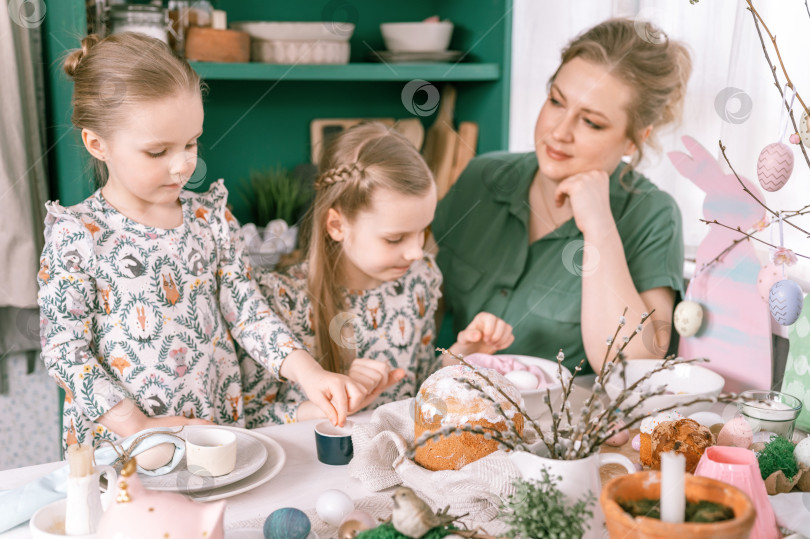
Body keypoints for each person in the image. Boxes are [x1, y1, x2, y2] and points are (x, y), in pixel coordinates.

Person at [38, 33, 367, 450]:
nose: (182, 165)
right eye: (157, 152)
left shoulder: (209, 217)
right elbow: (66, 352)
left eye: (191, 142)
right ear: (97, 144)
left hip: (215, 431)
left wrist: (309, 373)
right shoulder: (78, 236)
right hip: (124, 447)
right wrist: (138, 426)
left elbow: (247, 312)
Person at [432, 18, 691, 374]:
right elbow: (414, 309)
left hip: (564, 427)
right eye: (556, 101)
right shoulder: (483, 177)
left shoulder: (653, 215)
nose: (559, 131)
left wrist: (599, 226)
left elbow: (633, 369)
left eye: (591, 122)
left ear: (635, 138)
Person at [241, 122, 514, 426]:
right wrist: (340, 401)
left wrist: (461, 356)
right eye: (394, 239)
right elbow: (253, 420)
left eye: (423, 231)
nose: (415, 252)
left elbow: (419, 386)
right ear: (337, 225)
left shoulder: (419, 280)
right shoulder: (282, 300)